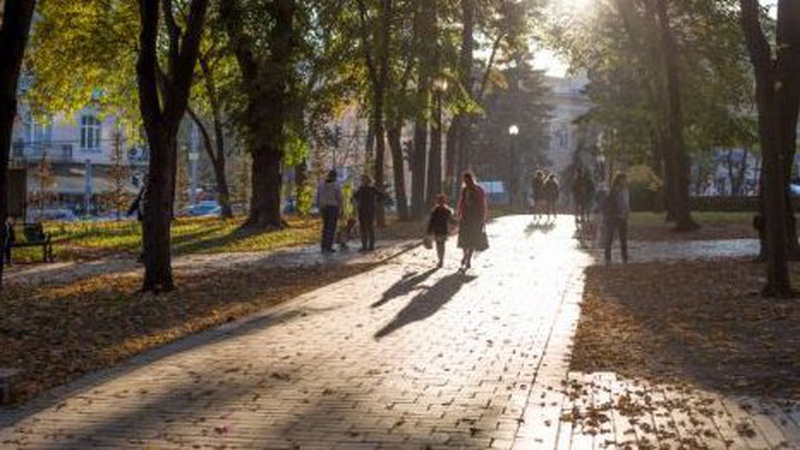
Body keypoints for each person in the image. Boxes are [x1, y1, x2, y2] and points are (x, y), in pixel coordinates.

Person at [457, 171, 488, 271]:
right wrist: (459, 213)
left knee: (472, 239)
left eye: (467, 180)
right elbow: (461, 202)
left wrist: (483, 217)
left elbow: (482, 204)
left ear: (471, 179)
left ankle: (468, 258)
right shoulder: (464, 190)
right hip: (466, 218)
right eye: (464, 181)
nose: (466, 182)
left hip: (475, 218)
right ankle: (465, 256)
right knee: (464, 239)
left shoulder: (479, 190)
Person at [602, 172, 631, 264]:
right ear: (619, 180)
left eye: (625, 180)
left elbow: (626, 203)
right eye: (623, 180)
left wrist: (627, 211)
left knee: (623, 239)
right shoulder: (614, 191)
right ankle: (608, 258)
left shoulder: (626, 191)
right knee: (609, 238)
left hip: (623, 217)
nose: (625, 181)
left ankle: (625, 258)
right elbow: (611, 203)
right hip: (613, 217)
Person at [316, 169, 343, 253]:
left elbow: (317, 196)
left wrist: (319, 206)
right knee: (331, 227)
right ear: (335, 177)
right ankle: (328, 246)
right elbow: (339, 198)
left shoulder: (321, 185)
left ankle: (323, 246)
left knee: (325, 227)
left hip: (323, 207)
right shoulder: (336, 185)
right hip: (333, 208)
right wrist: (342, 208)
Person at [352, 174, 381, 251]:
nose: (362, 181)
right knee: (363, 228)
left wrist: (375, 202)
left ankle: (371, 245)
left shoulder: (372, 189)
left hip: (369, 210)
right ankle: (364, 245)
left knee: (369, 228)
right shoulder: (361, 189)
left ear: (367, 180)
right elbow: (354, 196)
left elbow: (381, 195)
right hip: (362, 211)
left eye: (363, 179)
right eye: (362, 180)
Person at [427, 194, 454, 268]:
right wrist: (429, 231)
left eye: (442, 201)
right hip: (438, 230)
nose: (441, 203)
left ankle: (441, 260)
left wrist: (457, 223)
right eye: (440, 201)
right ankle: (440, 259)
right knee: (439, 245)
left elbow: (451, 220)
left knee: (441, 245)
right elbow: (431, 221)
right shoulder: (436, 210)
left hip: (443, 230)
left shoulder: (446, 210)